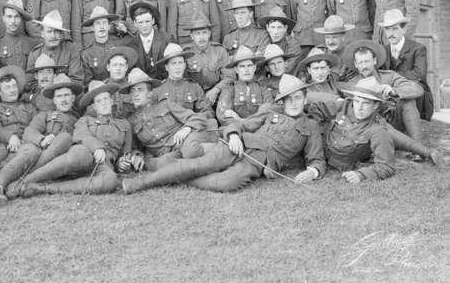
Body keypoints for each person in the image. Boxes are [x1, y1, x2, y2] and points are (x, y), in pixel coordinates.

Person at [121, 74, 326, 194]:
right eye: (289, 99)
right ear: (282, 101)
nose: (293, 103)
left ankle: (175, 173)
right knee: (200, 164)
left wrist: (312, 172)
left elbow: (317, 160)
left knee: (226, 183)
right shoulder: (270, 111)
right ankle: (141, 183)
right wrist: (235, 135)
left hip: (256, 164)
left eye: (298, 98)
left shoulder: (311, 127)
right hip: (239, 145)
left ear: (305, 99)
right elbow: (241, 124)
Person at [308, 77, 444, 183]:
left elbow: (386, 166)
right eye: (357, 101)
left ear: (375, 106)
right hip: (317, 154)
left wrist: (361, 175)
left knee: (397, 139)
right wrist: (317, 129)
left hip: (341, 162)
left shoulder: (379, 129)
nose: (359, 108)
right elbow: (316, 109)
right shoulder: (344, 105)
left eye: (365, 103)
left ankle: (428, 152)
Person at [19, 80, 133, 197]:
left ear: (111, 101)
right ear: (94, 106)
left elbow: (126, 153)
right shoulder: (85, 120)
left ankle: (42, 188)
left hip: (103, 165)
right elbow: (80, 135)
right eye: (99, 101)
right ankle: (26, 180)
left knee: (111, 180)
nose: (103, 103)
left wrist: (122, 163)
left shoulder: (124, 125)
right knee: (80, 153)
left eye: (105, 99)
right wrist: (96, 147)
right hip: (82, 158)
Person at [0, 74, 82, 201]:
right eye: (59, 96)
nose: (63, 100)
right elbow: (29, 131)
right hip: (40, 156)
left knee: (65, 139)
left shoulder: (79, 119)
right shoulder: (45, 115)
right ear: (54, 100)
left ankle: (20, 183)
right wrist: (42, 139)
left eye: (67, 95)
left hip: (61, 163)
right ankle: (14, 183)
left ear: (73, 98)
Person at [120, 68, 216, 170]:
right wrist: (137, 156)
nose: (135, 94)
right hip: (167, 155)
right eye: (132, 91)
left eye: (140, 89)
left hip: (185, 142)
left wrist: (186, 128)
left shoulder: (165, 105)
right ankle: (193, 166)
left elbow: (196, 117)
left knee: (190, 150)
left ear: (149, 93)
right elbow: (135, 148)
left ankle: (221, 150)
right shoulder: (131, 121)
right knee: (158, 163)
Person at [343, 40, 424, 142]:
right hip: (370, 126)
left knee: (408, 102)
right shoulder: (353, 84)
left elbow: (417, 89)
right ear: (356, 64)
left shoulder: (389, 76)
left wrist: (393, 91)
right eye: (360, 62)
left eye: (367, 61)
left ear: (375, 61)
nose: (364, 66)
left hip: (393, 121)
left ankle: (418, 144)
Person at [0, 66, 35, 196]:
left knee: (15, 160)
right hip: (1, 143)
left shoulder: (28, 107)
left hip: (24, 143)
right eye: (7, 87)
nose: (13, 90)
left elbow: (35, 126)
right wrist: (11, 137)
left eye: (14, 86)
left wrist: (21, 140)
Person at [380, 9, 433, 120]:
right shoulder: (382, 51)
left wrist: (392, 78)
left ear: (404, 29)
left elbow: (419, 75)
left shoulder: (418, 49)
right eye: (387, 29)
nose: (391, 34)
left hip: (416, 94)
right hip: (390, 92)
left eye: (395, 29)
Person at [151, 43, 215, 119]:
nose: (177, 67)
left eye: (180, 63)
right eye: (173, 63)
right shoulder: (158, 90)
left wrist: (193, 121)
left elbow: (208, 112)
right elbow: (152, 118)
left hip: (191, 127)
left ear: (184, 65)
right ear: (167, 67)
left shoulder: (194, 87)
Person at [216, 46, 273, 128]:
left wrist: (240, 120)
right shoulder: (229, 89)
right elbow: (224, 116)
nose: (246, 70)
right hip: (236, 132)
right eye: (242, 66)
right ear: (236, 70)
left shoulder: (263, 89)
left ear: (254, 68)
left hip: (260, 132)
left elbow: (268, 112)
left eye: (249, 65)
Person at [26, 10, 83, 86]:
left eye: (57, 31)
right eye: (49, 31)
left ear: (61, 34)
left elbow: (77, 80)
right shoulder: (35, 54)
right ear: (42, 33)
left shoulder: (71, 50)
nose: (53, 36)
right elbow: (30, 84)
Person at [184, 12, 230, 102]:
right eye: (197, 33)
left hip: (217, 94)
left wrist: (216, 90)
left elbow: (229, 77)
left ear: (209, 33)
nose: (202, 37)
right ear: (192, 36)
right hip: (193, 95)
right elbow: (182, 80)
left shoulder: (220, 51)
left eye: (204, 32)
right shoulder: (185, 53)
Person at [80, 6, 128, 84]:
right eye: (98, 23)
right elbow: (88, 82)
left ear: (109, 26)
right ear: (93, 27)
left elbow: (126, 73)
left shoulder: (120, 46)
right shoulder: (87, 54)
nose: (101, 27)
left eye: (104, 22)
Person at [126, 1, 170, 80]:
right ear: (135, 23)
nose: (144, 26)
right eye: (140, 22)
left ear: (153, 21)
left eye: (147, 21)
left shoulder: (166, 40)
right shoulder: (131, 46)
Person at [0, 0, 36, 70]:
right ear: (3, 18)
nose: (13, 21)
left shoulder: (31, 43)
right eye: (9, 16)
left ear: (21, 18)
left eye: (16, 16)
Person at [258, 6, 301, 74]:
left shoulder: (293, 45)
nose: (276, 32)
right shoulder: (263, 40)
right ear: (267, 27)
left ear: (285, 28)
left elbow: (287, 68)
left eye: (279, 27)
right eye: (273, 27)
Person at [313, 15, 355, 82]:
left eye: (334, 37)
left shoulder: (351, 56)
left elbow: (351, 83)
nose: (330, 41)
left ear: (343, 37)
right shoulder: (319, 52)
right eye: (327, 37)